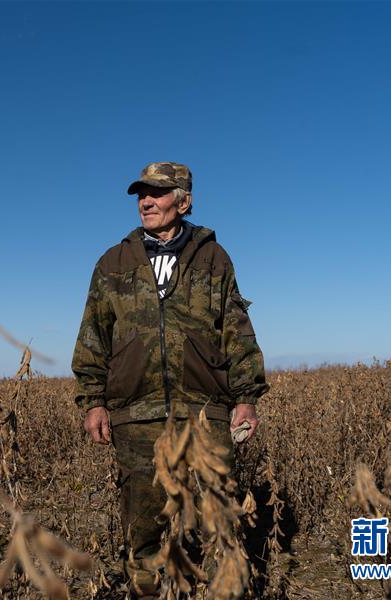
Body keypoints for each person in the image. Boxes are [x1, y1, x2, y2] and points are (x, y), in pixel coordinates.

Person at [71, 162, 269, 598]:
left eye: (158, 193)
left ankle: (211, 588)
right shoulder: (113, 262)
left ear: (184, 200)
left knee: (213, 514)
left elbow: (235, 329)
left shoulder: (214, 257)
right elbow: (93, 335)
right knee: (142, 522)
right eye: (142, 193)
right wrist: (93, 401)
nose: (146, 201)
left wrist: (246, 397)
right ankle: (144, 588)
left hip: (205, 411)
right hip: (136, 414)